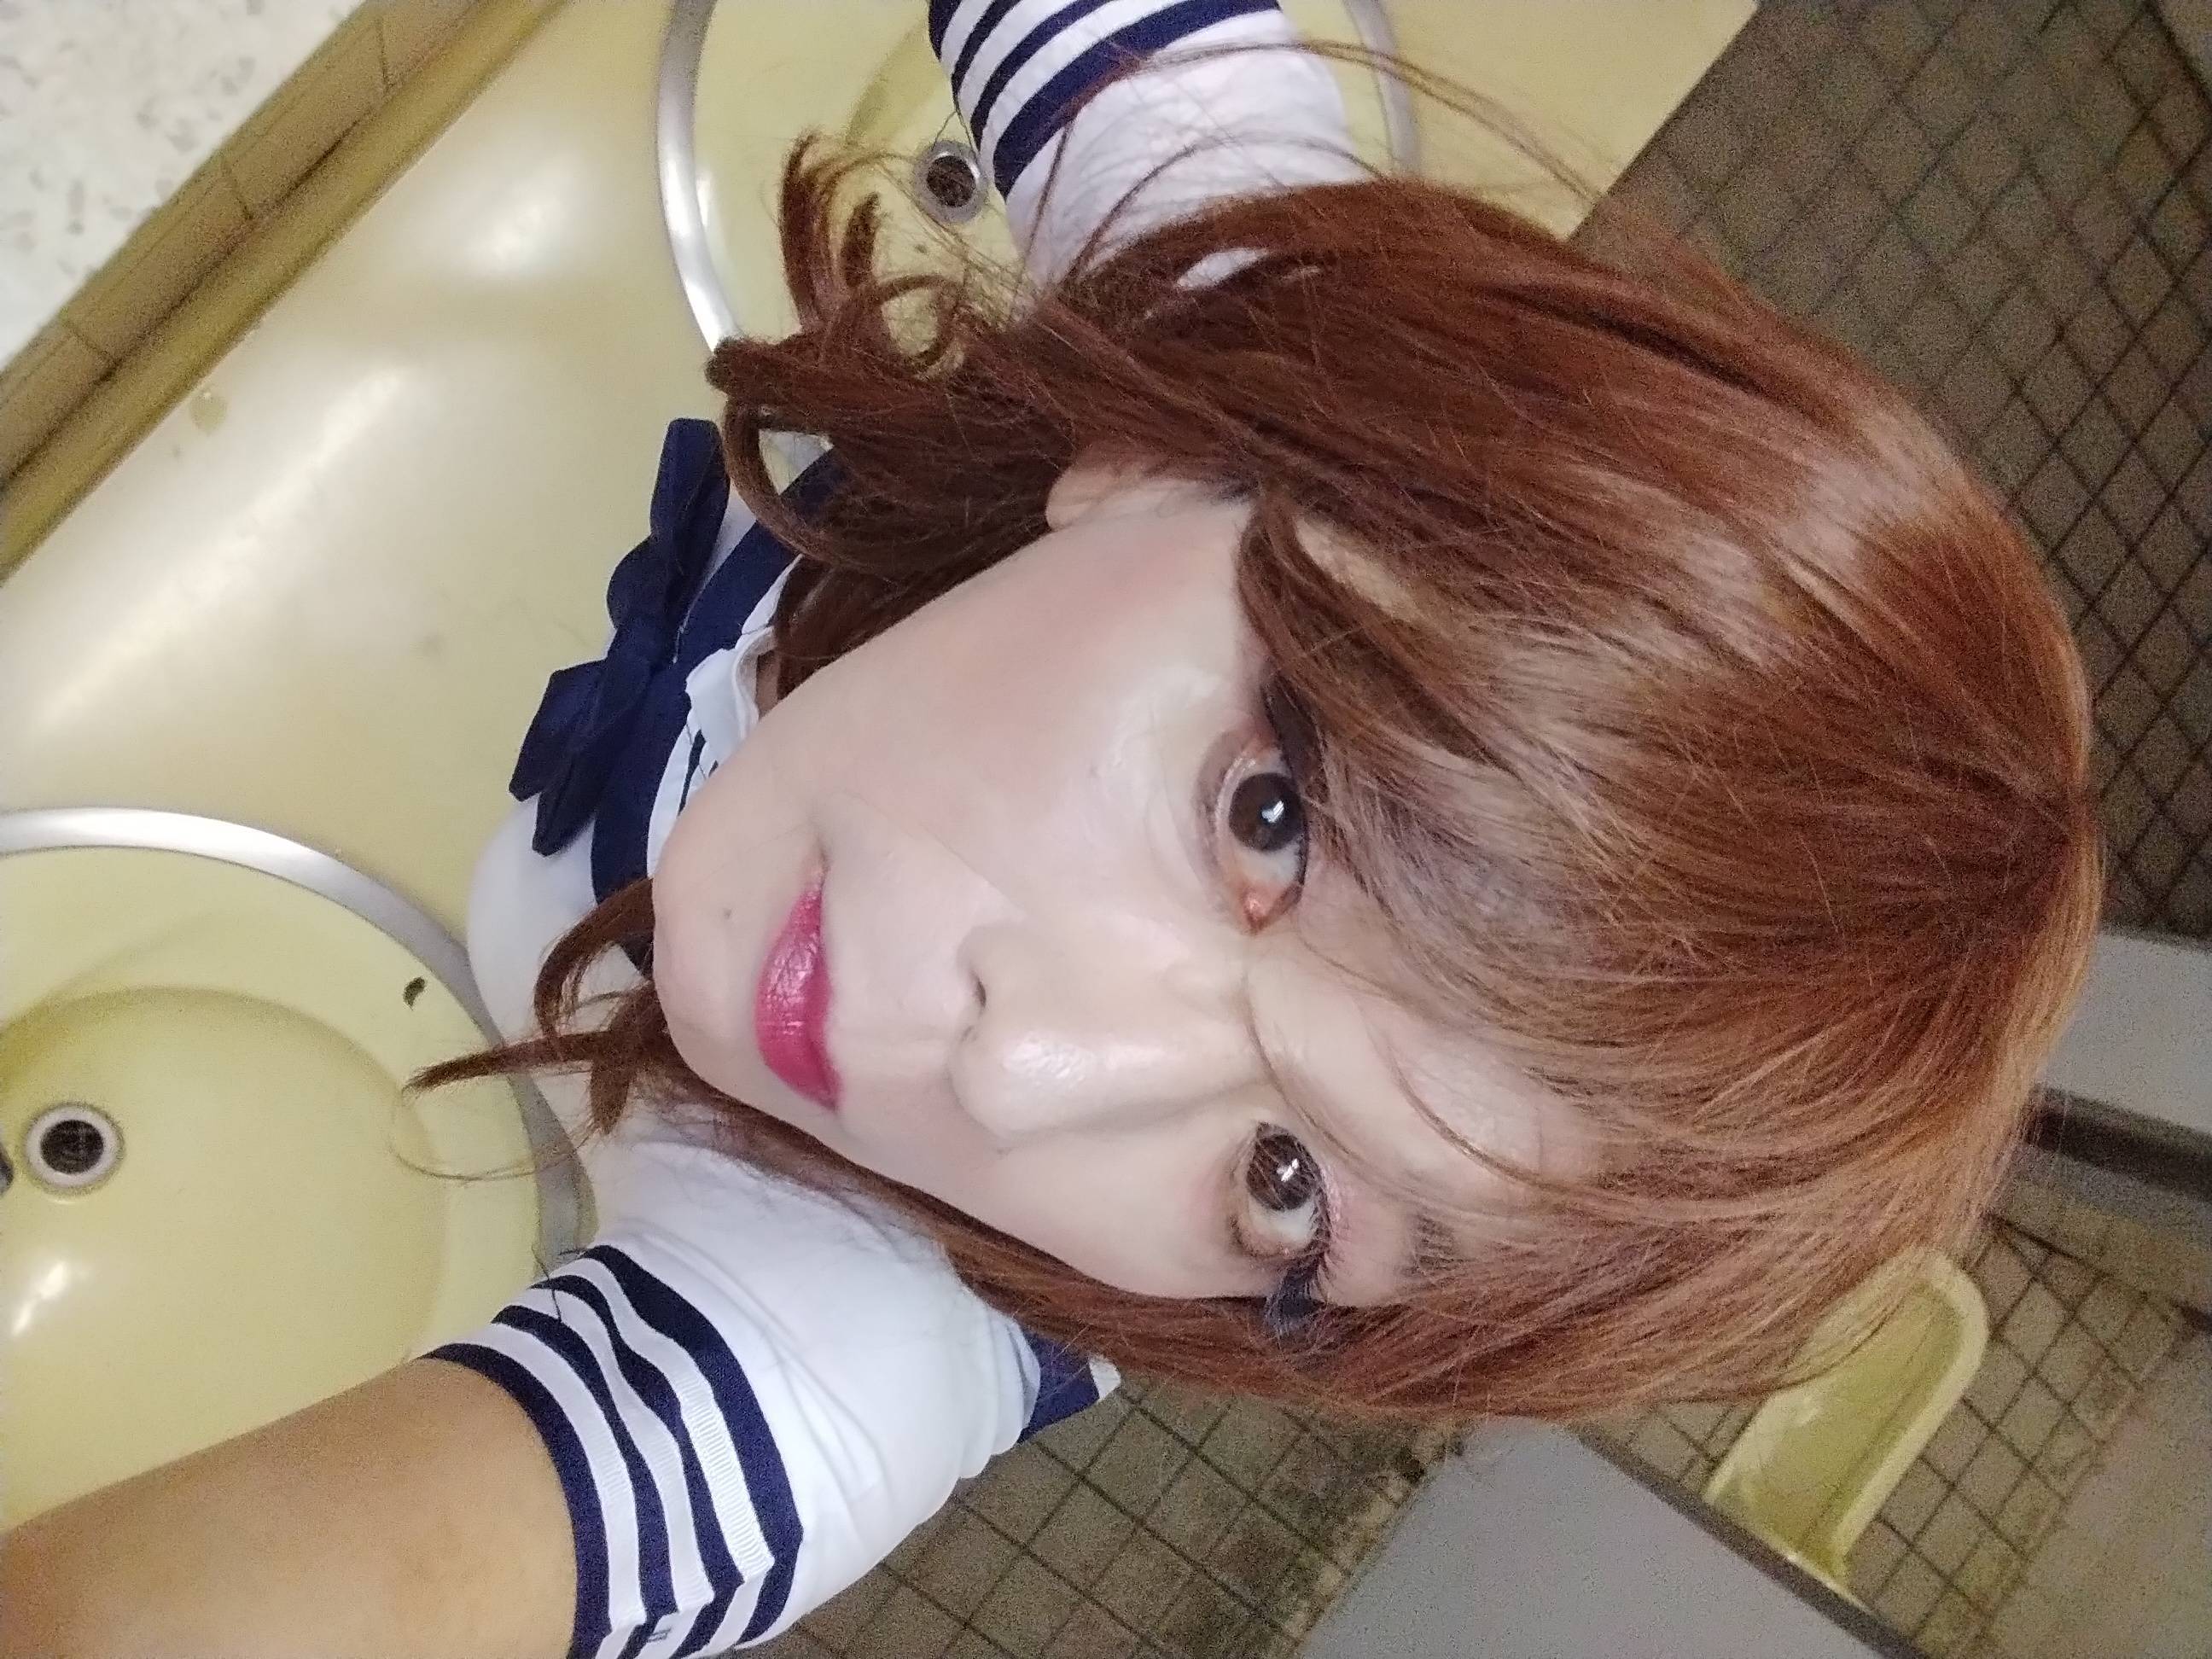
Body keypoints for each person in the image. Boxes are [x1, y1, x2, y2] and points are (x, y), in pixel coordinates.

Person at [0, 2, 2103, 1656]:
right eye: (1265, 814)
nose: (1025, 1076)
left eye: (1283, 1188)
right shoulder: (1269, 318)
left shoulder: (860, 1329)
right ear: (1187, 445)